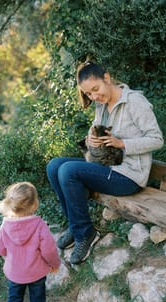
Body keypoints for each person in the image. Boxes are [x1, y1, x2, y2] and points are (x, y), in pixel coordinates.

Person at [47, 61, 164, 265]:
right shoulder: (101, 106)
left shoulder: (135, 102)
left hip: (129, 175)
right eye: (89, 94)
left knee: (68, 171)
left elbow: (157, 139)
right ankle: (76, 227)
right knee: (54, 166)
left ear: (107, 79)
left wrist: (122, 143)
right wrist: (90, 140)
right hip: (106, 167)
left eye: (96, 89)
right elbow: (95, 131)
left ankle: (85, 234)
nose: (94, 97)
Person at [0, 181, 61, 302]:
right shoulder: (39, 225)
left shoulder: (5, 225)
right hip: (37, 272)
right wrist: (54, 264)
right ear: (35, 204)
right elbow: (49, 250)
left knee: (14, 301)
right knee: (38, 300)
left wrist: (7, 256)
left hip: (14, 273)